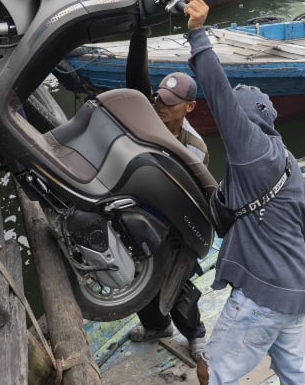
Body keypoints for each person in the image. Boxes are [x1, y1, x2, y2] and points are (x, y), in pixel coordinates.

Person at [182, 0, 305, 385]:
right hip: (294, 292)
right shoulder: (286, 159)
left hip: (262, 298)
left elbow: (219, 94)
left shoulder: (251, 148)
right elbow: (302, 227)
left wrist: (198, 35)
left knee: (213, 373)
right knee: (294, 374)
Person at [123, 28, 209, 379]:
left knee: (177, 288)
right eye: (159, 98)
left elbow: (193, 199)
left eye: (169, 103)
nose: (160, 106)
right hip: (138, 216)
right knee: (137, 283)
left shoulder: (194, 148)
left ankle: (195, 335)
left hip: (174, 228)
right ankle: (157, 327)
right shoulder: (146, 121)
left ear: (188, 107)